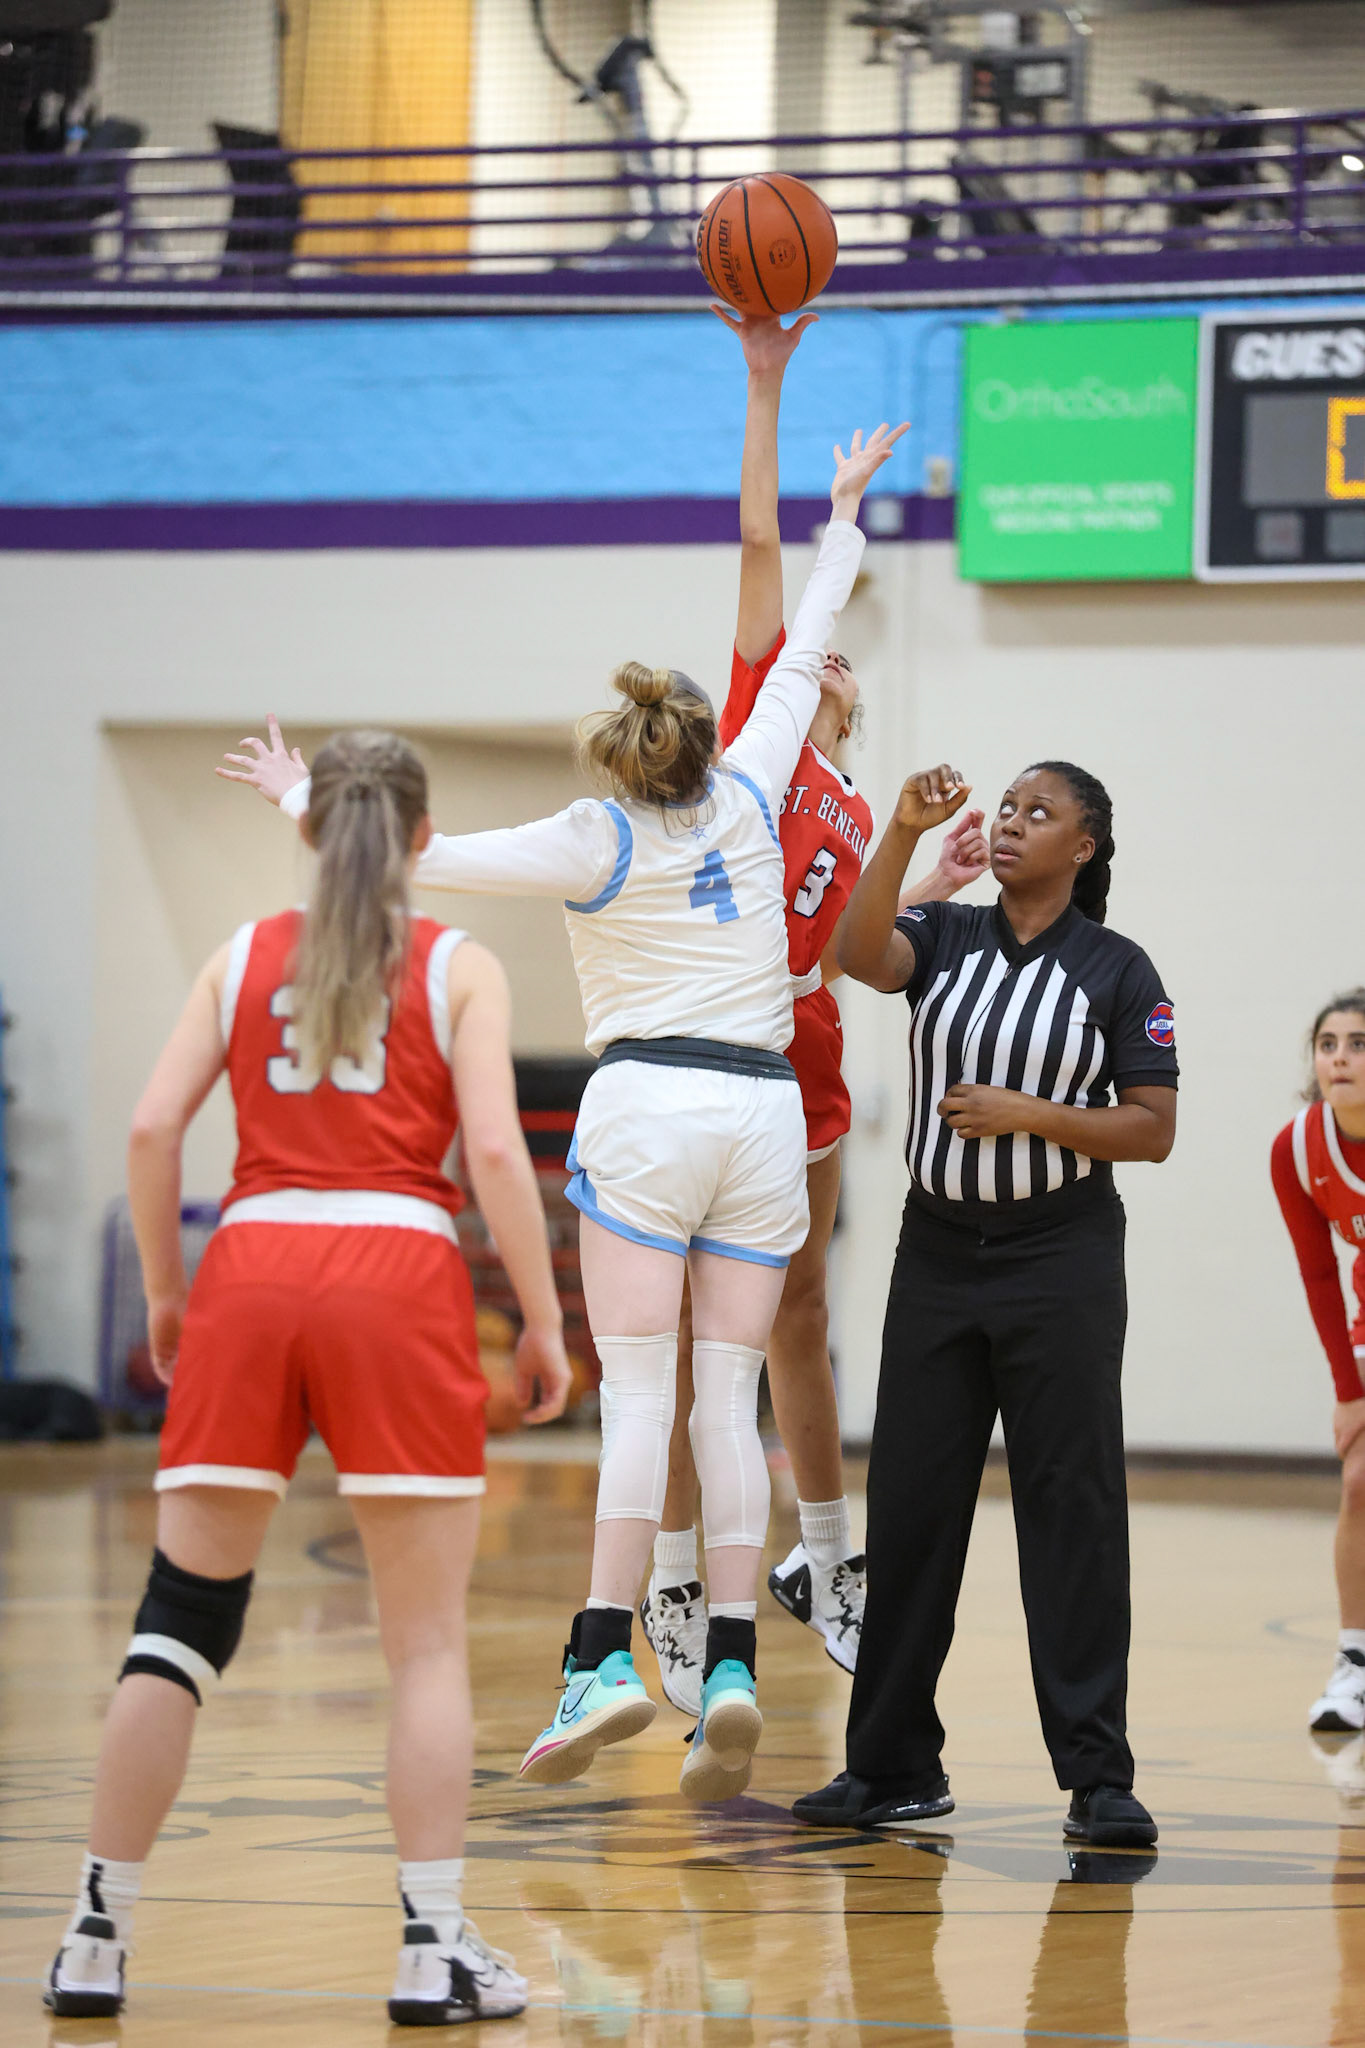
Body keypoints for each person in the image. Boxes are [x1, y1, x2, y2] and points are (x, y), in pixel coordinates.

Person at [217, 420, 906, 1803]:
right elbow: (821, 605)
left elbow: (414, 853)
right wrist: (842, 511)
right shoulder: (763, 776)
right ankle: (724, 1663)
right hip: (767, 1118)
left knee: (638, 1396)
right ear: (709, 743)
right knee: (731, 1398)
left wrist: (302, 791)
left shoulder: (590, 836)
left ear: (617, 758)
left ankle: (601, 1654)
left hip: (648, 1107)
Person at [45, 731, 572, 2027]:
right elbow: (499, 1160)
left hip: (252, 1268)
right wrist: (549, 1319)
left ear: (309, 828)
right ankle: (432, 1948)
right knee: (428, 1646)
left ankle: (94, 1936)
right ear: (423, 828)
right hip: (395, 1274)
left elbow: (153, 1126)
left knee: (178, 1622)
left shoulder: (239, 955)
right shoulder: (457, 964)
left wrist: (172, 1297)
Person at [640, 307, 989, 1718]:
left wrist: (929, 875)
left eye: (840, 666)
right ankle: (667, 1569)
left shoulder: (851, 799)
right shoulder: (755, 735)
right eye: (806, 657)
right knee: (667, 1327)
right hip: (702, 1034)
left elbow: (856, 949)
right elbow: (759, 554)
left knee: (799, 1314)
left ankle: (822, 1558)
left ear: (856, 704)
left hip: (811, 1048)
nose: (820, 664)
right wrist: (768, 387)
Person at [793, 760, 1178, 1849]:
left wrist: (1033, 1113)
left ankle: (1098, 1774)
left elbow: (1152, 1126)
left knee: (1073, 1507)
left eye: (1038, 813)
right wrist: (903, 835)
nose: (1012, 824)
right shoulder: (950, 936)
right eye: (1005, 808)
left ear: (1085, 844)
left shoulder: (1119, 969)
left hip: (1060, 1257)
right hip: (937, 1255)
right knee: (912, 1506)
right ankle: (892, 1764)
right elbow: (857, 954)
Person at [1270, 990, 1365, 1733]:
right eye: (1328, 1043)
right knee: (1359, 1480)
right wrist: (1347, 1389)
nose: (1340, 1057)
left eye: (1358, 1043)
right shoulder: (1296, 1148)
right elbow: (1316, 1273)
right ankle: (1353, 1668)